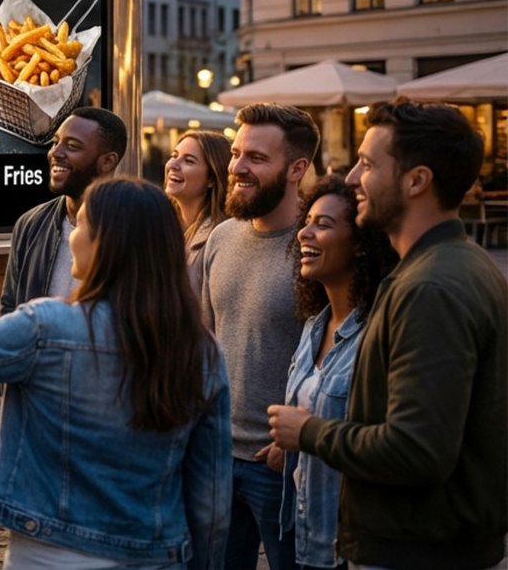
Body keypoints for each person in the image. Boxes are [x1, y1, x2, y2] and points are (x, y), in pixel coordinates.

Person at [0, 178, 231, 568]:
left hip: (49, 553)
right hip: (154, 552)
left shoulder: (46, 326)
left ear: (105, 242)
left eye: (80, 225)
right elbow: (211, 495)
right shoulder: (201, 350)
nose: (70, 238)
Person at [269, 100, 507, 569]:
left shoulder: (431, 287)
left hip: (417, 550)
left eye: (369, 164)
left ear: (417, 181)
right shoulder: (455, 265)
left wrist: (310, 432)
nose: (353, 178)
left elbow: (417, 451)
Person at [200, 102, 318, 570]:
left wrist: (304, 428)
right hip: (217, 457)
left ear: (297, 168)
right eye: (235, 153)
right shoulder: (221, 237)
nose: (238, 168)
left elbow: (342, 351)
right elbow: (209, 342)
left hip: (284, 465)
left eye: (256, 158)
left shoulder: (317, 245)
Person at [259, 176, 394, 569]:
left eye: (324, 224)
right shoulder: (314, 325)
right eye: (308, 220)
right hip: (307, 538)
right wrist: (289, 443)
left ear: (361, 244)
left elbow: (390, 439)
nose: (304, 231)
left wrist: (308, 433)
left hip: (353, 548)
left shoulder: (378, 333)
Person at [0, 107, 126, 315]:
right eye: (55, 142)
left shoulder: (134, 228)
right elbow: (9, 307)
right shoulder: (30, 223)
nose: (55, 153)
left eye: (73, 146)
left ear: (108, 161)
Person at [164, 129, 231, 295]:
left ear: (211, 179)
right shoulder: (159, 225)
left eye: (189, 161)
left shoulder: (221, 238)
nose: (173, 165)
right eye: (174, 155)